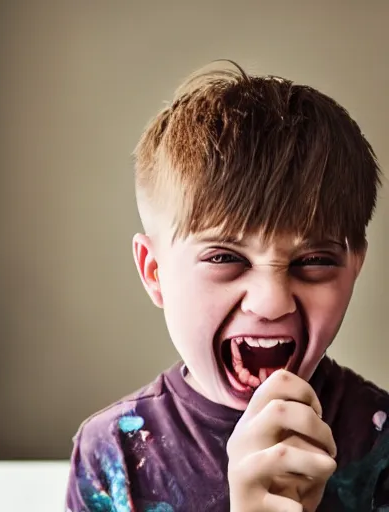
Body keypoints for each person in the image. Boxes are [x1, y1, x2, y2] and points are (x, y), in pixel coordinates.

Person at [65, 60, 389, 511]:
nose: (272, 303)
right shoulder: (111, 457)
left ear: (354, 268)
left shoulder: (383, 447)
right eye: (224, 258)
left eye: (314, 261)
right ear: (154, 271)